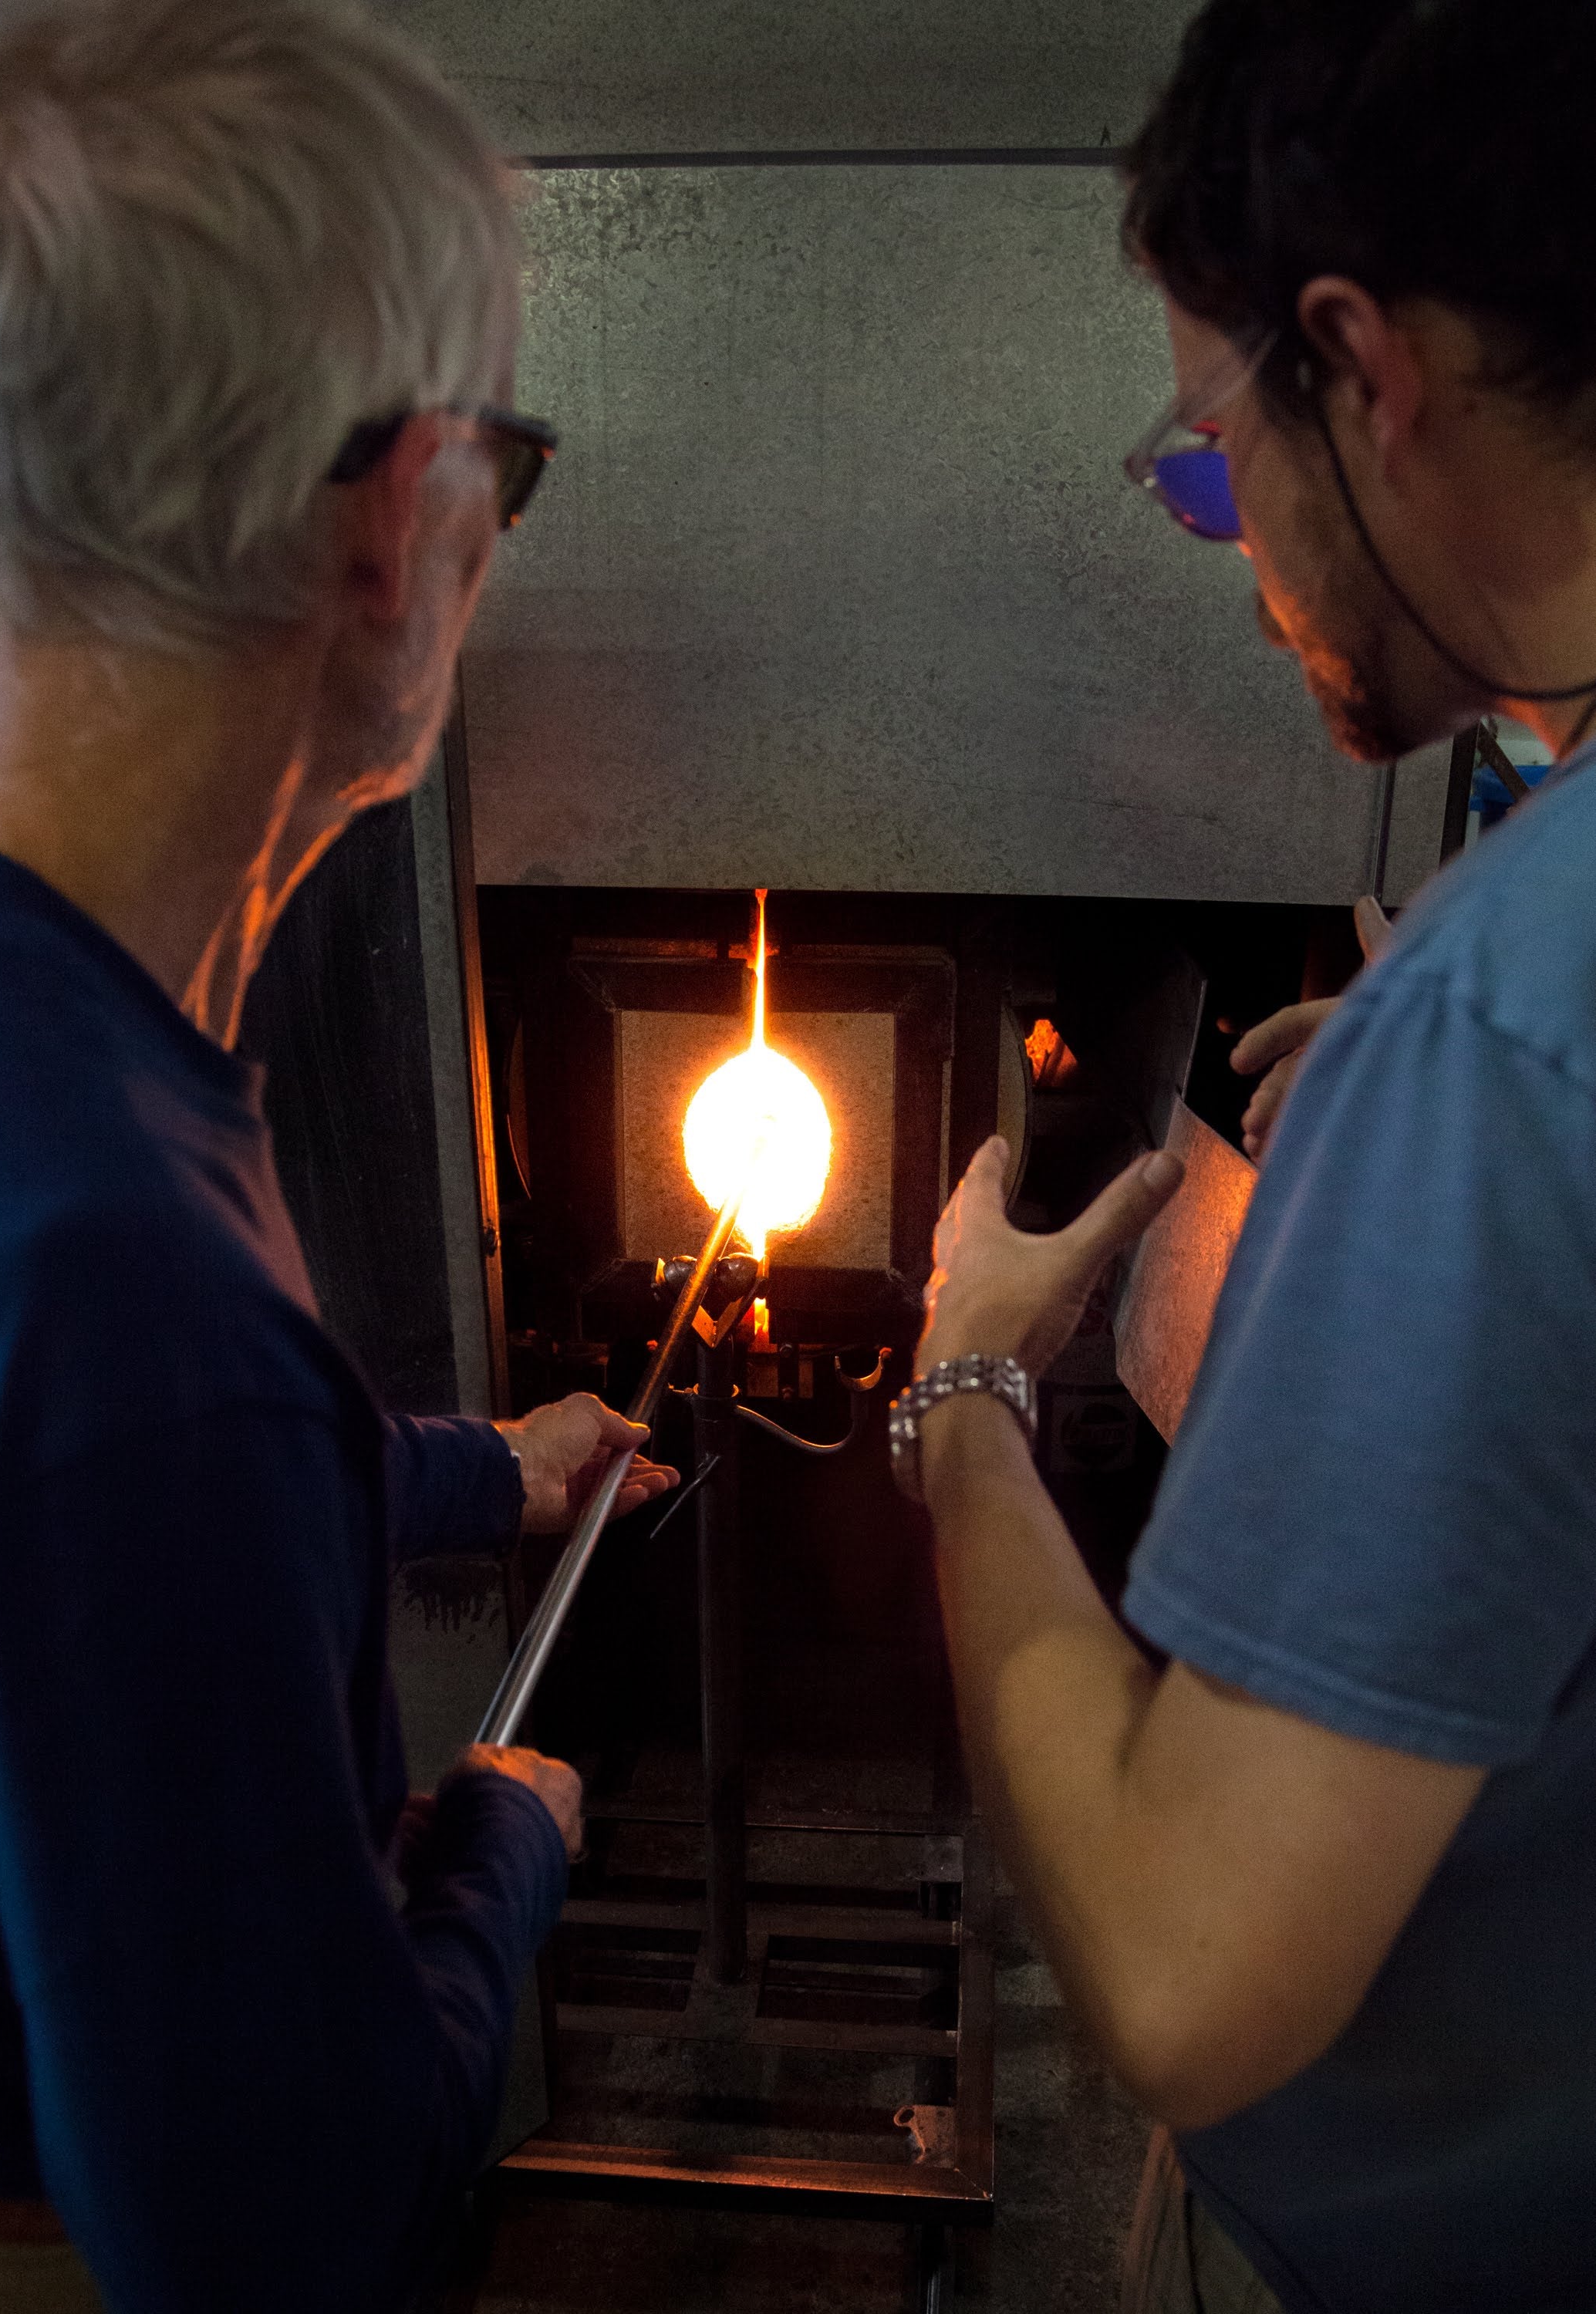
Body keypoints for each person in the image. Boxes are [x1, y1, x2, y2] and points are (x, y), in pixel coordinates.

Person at [0, 2, 675, 2309]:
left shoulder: (35, 1075)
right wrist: (500, 1845)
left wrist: (475, 1468)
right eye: (507, 474)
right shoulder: (123, 1281)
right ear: (393, 519)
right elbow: (277, 2231)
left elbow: (53, 1546)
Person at [908, 2, 1596, 2309]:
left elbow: (1190, 1973)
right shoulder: (1506, 998)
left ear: (1360, 372)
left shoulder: (1506, 1022)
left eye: (1212, 466)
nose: (1237, 551)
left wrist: (968, 1401)